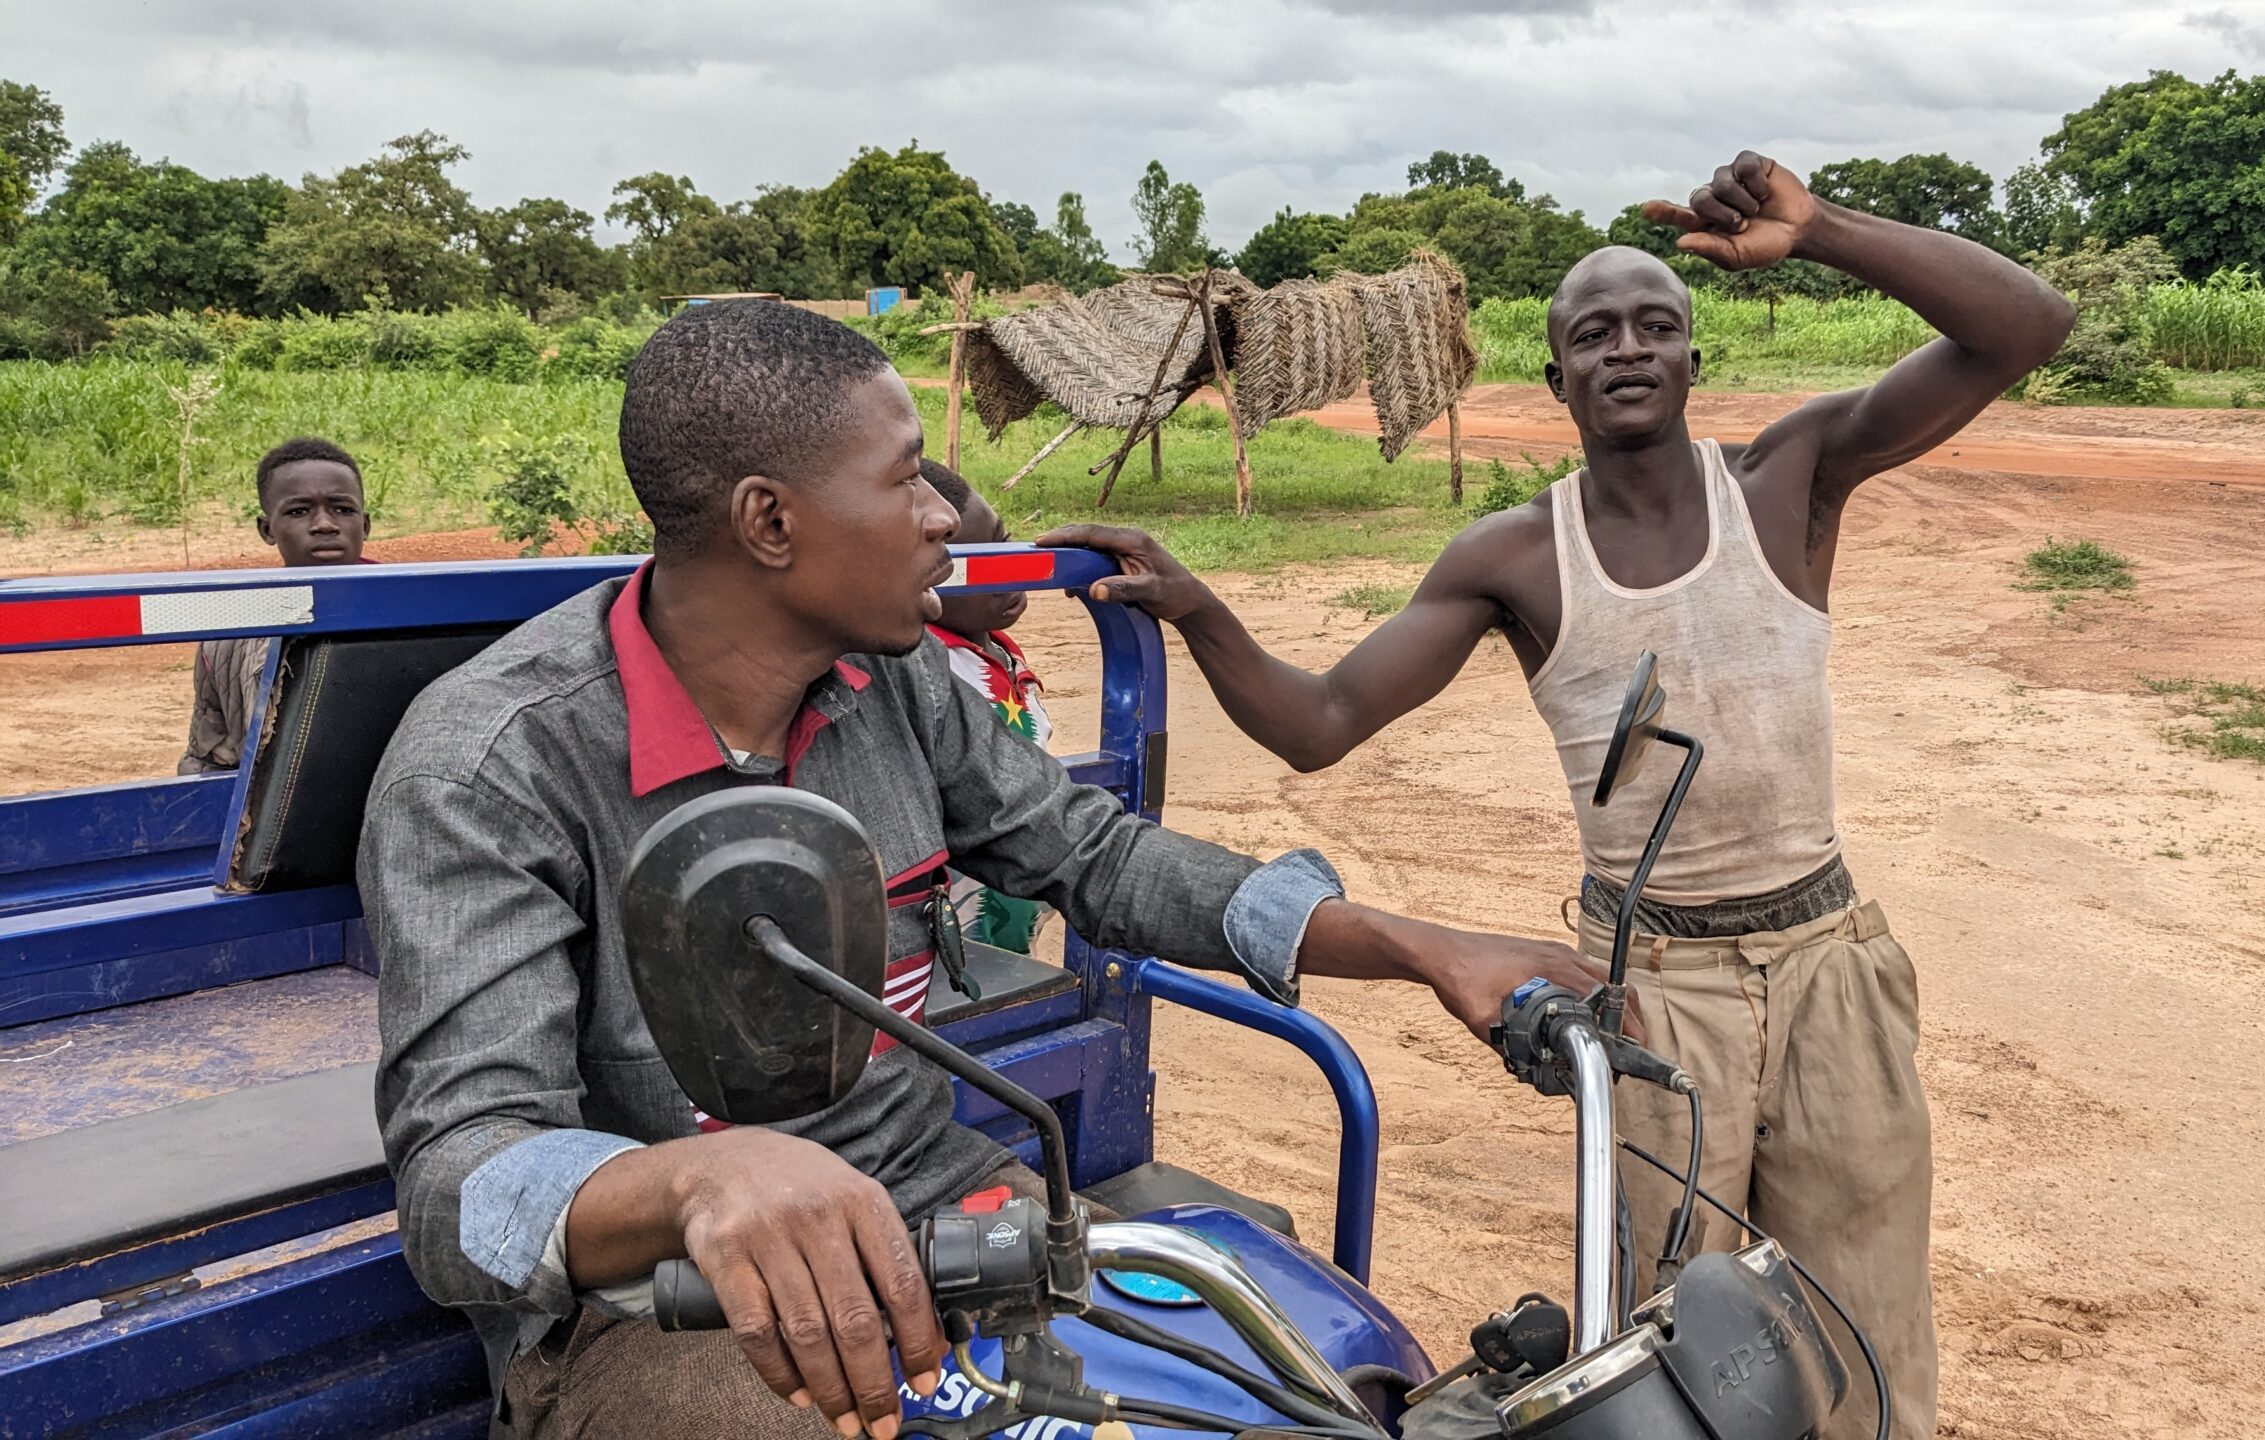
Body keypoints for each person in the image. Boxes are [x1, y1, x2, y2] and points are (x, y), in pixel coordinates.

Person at [358, 300, 1616, 1440]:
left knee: (1293, 1381)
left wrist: (1412, 944)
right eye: (907, 479)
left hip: (947, 1207)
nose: (944, 516)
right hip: (673, 1312)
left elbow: (1095, 855)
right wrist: (695, 1178)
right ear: (770, 521)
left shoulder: (893, 681)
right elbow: (459, 1175)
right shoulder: (488, 771)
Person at [1046, 151, 2077, 1439]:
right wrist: (1203, 612)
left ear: (1693, 359)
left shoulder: (1788, 479)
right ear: (1558, 377)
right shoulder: (1518, 556)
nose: (1628, 349)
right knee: (1683, 1342)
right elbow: (1317, 724)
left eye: (1657, 326)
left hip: (1829, 957)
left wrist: (1821, 233)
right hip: (1652, 987)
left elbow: (2027, 326)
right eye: (1594, 334)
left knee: (1866, 1324)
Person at [917, 458, 1051, 953]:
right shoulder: (925, 665)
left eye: (1003, 539)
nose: (1006, 572)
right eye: (971, 561)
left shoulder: (996, 649)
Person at [178, 437, 374, 774]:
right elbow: (209, 756)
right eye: (299, 511)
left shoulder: (421, 615)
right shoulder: (230, 633)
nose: (325, 524)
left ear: (365, 525)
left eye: (342, 509)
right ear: (268, 530)